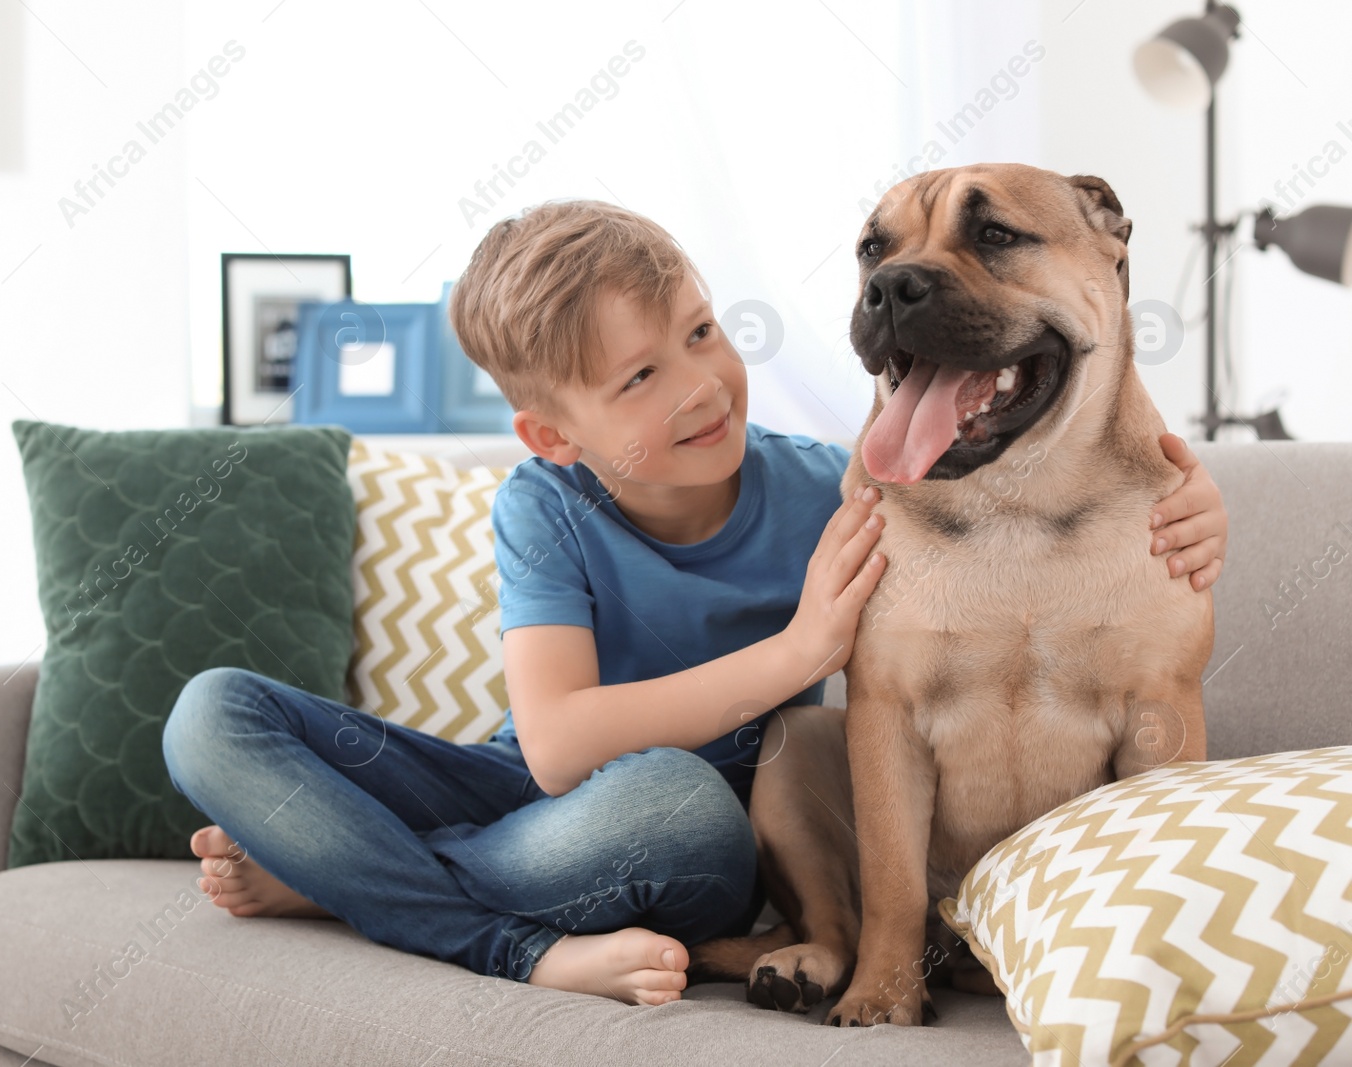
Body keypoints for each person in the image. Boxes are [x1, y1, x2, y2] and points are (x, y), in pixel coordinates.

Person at [161, 199, 1229, 1007]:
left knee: (670, 797)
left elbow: (1034, 495)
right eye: (638, 378)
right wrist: (797, 647)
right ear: (552, 434)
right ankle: (471, 912)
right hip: (520, 796)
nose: (700, 384)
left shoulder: (840, 487)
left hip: (688, 837)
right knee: (210, 709)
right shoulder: (544, 502)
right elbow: (554, 750)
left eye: (702, 332)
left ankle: (352, 873)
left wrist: (1189, 499)